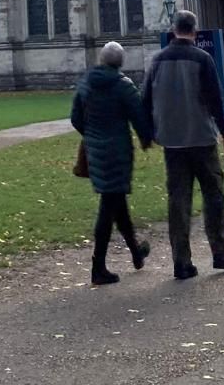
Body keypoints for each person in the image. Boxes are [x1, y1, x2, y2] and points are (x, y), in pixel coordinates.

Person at [142, 9, 224, 280]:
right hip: (201, 139)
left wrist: (150, 133)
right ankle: (221, 253)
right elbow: (215, 100)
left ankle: (181, 262)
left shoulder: (157, 60)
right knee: (214, 197)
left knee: (178, 202)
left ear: (173, 30)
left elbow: (145, 101)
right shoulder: (203, 58)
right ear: (194, 30)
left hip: (172, 143)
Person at [71, 42, 154, 287]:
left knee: (116, 203)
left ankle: (136, 253)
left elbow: (75, 117)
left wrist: (93, 135)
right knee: (109, 207)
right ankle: (98, 267)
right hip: (117, 151)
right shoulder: (123, 86)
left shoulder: (86, 84)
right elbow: (138, 117)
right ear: (120, 62)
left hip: (96, 152)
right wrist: (146, 139)